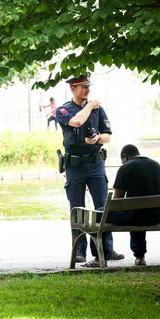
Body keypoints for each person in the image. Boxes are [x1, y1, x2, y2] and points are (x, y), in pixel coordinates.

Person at [55, 73, 124, 267]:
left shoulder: (97, 109)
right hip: (74, 166)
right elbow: (76, 122)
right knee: (77, 208)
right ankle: (79, 252)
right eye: (83, 86)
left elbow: (108, 136)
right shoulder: (62, 110)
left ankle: (106, 250)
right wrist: (89, 107)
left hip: (95, 164)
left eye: (88, 86)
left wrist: (97, 139)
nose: (87, 90)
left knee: (102, 207)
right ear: (73, 89)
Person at [107, 144, 160, 266]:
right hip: (158, 216)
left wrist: (104, 210)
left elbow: (117, 202)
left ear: (124, 156)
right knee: (136, 211)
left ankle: (98, 257)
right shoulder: (156, 165)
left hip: (137, 217)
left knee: (98, 214)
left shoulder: (125, 168)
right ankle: (140, 257)